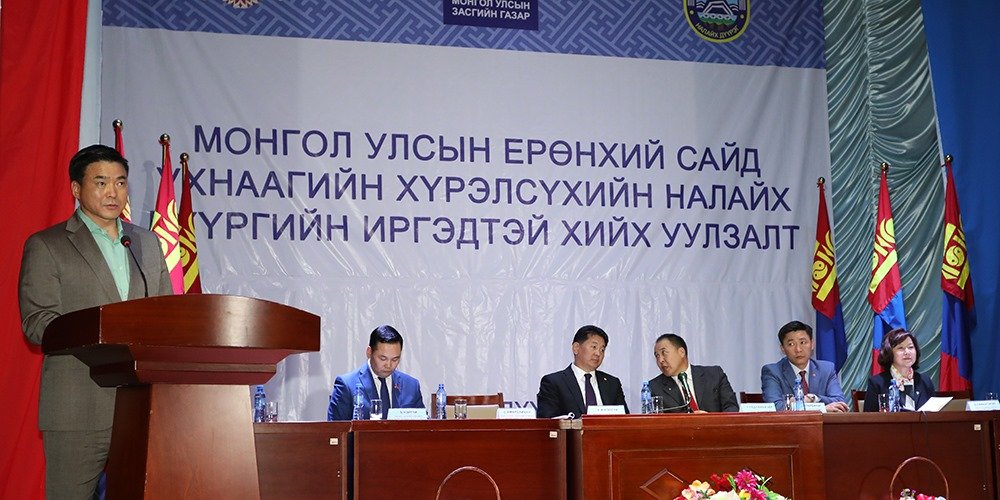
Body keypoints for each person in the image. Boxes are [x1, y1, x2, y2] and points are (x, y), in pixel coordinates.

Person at [18, 144, 174, 498]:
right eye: (101, 182)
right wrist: (105, 329)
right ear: (76, 189)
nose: (112, 192)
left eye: (120, 182)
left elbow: (165, 315)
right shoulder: (48, 245)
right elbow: (37, 323)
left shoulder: (146, 243)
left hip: (141, 407)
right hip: (78, 408)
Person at [328, 325, 425, 420]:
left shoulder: (411, 386)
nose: (388, 365)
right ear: (369, 352)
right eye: (383, 358)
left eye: (395, 359)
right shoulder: (347, 385)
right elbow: (335, 428)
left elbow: (423, 427)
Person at [536, 325, 629, 418]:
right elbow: (547, 421)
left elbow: (625, 420)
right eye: (594, 347)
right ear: (576, 348)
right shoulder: (554, 382)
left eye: (602, 350)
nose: (598, 353)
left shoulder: (612, 383)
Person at [761, 321, 850, 412]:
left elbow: (839, 402)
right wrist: (820, 408)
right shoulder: (772, 372)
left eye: (803, 342)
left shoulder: (826, 369)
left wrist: (814, 398)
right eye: (791, 344)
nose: (798, 349)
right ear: (783, 349)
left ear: (812, 344)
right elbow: (775, 407)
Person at [648, 333, 738, 413]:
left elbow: (732, 408)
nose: (660, 360)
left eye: (664, 353)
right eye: (657, 356)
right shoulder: (655, 387)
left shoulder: (714, 375)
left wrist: (710, 420)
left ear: (681, 352)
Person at [863, 328, 935, 412]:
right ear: (889, 352)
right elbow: (869, 418)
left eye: (911, 347)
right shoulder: (877, 383)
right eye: (901, 348)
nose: (907, 352)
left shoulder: (925, 381)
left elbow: (935, 416)